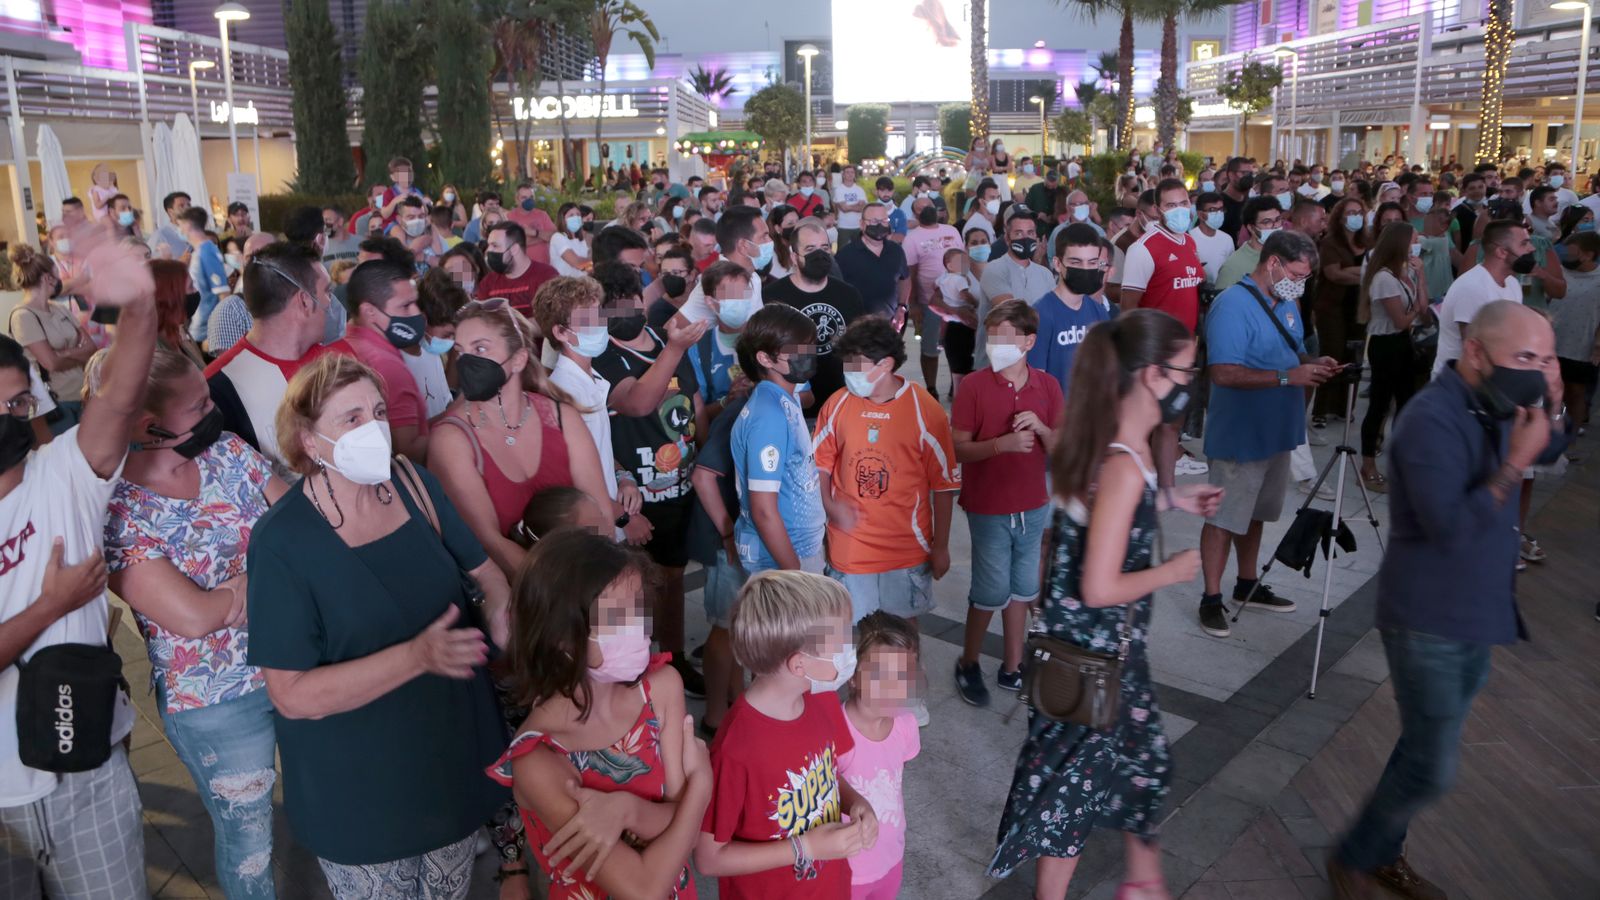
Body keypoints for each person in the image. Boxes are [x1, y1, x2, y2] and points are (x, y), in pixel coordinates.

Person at [245, 352, 512, 899]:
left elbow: (486, 573)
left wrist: (508, 624)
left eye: (379, 412)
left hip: (448, 762)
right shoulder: (282, 542)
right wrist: (419, 656)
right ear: (309, 441)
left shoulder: (414, 485)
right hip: (359, 792)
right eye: (351, 418)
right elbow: (292, 695)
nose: (375, 429)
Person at [1327, 301, 1567, 900]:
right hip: (1427, 616)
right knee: (1433, 766)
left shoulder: (1497, 399)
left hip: (1478, 609)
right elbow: (1450, 528)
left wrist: (1552, 407)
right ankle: (1353, 856)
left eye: (1546, 358)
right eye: (1526, 357)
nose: (1536, 371)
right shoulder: (1431, 419)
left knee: (1422, 745)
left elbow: (1548, 443)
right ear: (1479, 352)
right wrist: (1513, 463)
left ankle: (1382, 852)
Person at [989, 309, 1222, 900]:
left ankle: (1143, 884)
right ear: (1150, 375)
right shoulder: (1120, 462)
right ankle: (1137, 886)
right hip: (1092, 658)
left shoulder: (1113, 445)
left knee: (1138, 768)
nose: (1190, 384)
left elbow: (1109, 518)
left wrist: (1171, 501)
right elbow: (1097, 587)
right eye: (1184, 371)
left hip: (1106, 651)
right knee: (1074, 792)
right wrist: (1167, 571)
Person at [0, 231, 155, 900]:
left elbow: (119, 397)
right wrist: (51, 606)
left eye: (16, 402)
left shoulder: (61, 473)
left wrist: (138, 303)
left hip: (85, 774)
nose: (8, 415)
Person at [102, 346, 290, 898]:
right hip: (216, 701)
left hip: (295, 656)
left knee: (328, 795)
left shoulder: (227, 452)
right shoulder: (117, 508)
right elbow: (193, 618)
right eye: (199, 405)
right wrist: (267, 572)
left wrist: (233, 591)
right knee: (250, 843)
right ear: (148, 425)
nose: (215, 409)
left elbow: (300, 529)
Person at [487, 527, 712, 900]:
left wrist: (627, 811)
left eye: (638, 608)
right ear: (561, 636)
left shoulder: (660, 687)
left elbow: (682, 830)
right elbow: (642, 888)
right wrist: (702, 787)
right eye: (615, 617)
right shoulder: (539, 758)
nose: (637, 627)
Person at [693, 570, 878, 899]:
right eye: (840, 644)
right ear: (798, 665)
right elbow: (709, 858)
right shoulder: (737, 749)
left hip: (828, 886)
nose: (850, 651)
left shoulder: (820, 699)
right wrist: (804, 847)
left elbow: (825, 775)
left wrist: (856, 802)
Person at [1198, 231, 1341, 639]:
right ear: (1273, 262)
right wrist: (1287, 376)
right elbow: (1223, 372)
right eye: (1297, 273)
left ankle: (1246, 584)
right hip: (1240, 432)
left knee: (1258, 513)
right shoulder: (1232, 305)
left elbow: (1291, 350)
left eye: (1306, 277)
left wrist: (1313, 364)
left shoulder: (1289, 300)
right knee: (1225, 517)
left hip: (1277, 428)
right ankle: (1210, 598)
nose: (1302, 282)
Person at [592, 262, 709, 694]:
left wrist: (702, 462)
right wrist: (623, 515)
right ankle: (634, 669)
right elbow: (638, 403)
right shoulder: (602, 354)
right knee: (633, 588)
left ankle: (674, 661)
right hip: (634, 496)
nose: (625, 310)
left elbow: (694, 404)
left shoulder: (663, 336)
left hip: (680, 485)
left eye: (631, 300)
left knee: (674, 579)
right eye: (612, 306)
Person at [430, 295, 609, 579]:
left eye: (481, 348)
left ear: (518, 359)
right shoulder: (451, 440)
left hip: (586, 577)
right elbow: (489, 542)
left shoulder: (562, 418)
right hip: (523, 595)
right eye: (461, 351)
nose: (467, 362)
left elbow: (601, 514)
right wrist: (558, 592)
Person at [951, 300, 1061, 707]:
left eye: (1005, 337)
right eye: (991, 336)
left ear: (1029, 341)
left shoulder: (1047, 386)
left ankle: (1013, 665)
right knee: (990, 589)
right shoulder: (975, 387)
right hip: (988, 505)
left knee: (1023, 588)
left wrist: (1043, 428)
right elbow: (958, 449)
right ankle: (969, 661)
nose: (995, 344)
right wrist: (1002, 444)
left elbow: (1061, 445)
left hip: (1032, 503)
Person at [815, 316, 958, 625]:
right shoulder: (837, 404)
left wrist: (942, 546)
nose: (849, 372)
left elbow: (943, 486)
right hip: (849, 547)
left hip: (906, 550)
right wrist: (830, 507)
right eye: (847, 363)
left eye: (857, 364)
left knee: (902, 640)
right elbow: (820, 466)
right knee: (848, 640)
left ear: (886, 364)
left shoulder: (925, 410)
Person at [206, 242, 355, 470]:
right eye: (327, 292)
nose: (333, 303)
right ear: (304, 302)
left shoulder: (340, 353)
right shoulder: (219, 390)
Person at [535, 276, 646, 547]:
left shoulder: (592, 379)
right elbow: (576, 478)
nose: (599, 324)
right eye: (587, 319)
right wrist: (623, 519)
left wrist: (623, 478)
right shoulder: (566, 394)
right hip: (598, 530)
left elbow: (597, 452)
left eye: (599, 313)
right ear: (561, 332)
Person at [1120, 178, 1206, 483]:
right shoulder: (1143, 250)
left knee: (1173, 424)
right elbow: (1129, 308)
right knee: (1151, 424)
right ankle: (1141, 485)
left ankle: (1165, 487)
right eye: (1171, 205)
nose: (1180, 210)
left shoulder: (1190, 242)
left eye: (1184, 203)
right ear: (1157, 209)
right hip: (1155, 354)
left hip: (1184, 353)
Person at [730, 305, 825, 574]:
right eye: (796, 349)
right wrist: (793, 572)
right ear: (765, 359)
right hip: (785, 558)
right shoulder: (769, 416)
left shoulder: (784, 398)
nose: (807, 354)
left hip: (796, 549)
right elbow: (763, 510)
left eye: (810, 345)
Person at [839, 611, 921, 900]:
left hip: (891, 856)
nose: (893, 686)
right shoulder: (835, 732)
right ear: (852, 676)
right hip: (844, 868)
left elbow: (893, 780)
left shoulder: (906, 725)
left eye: (903, 675)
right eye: (880, 674)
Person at [1358, 222, 1432, 491]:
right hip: (1386, 344)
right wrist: (1415, 311)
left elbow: (1423, 308)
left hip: (1403, 343)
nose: (1417, 243)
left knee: (1406, 401)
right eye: (1413, 239)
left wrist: (1420, 277)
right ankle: (1367, 466)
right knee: (1379, 405)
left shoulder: (1404, 273)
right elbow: (1401, 320)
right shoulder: (1383, 278)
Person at [765, 221, 866, 415]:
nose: (819, 255)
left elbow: (858, 349)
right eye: (810, 249)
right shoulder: (772, 298)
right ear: (794, 257)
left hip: (842, 405)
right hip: (794, 407)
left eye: (824, 247)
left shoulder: (849, 294)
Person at [343, 260, 432, 462]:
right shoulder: (386, 366)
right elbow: (407, 452)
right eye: (405, 306)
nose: (416, 313)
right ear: (370, 312)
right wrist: (458, 422)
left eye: (415, 302)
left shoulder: (347, 343)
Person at [7, 244, 93, 433]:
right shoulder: (23, 316)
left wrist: (65, 352)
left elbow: (91, 350)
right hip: (57, 403)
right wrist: (77, 352)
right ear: (48, 278)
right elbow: (50, 363)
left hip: (83, 394)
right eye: (57, 274)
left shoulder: (59, 308)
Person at [1434, 220, 1533, 377]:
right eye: (1524, 244)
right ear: (1501, 252)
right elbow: (1475, 352)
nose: (1531, 249)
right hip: (1460, 386)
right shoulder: (1472, 288)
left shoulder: (1512, 283)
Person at [1030, 224, 1113, 399]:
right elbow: (1035, 380)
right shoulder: (1040, 314)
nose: (1085, 269)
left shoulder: (1099, 312)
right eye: (1076, 262)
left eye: (1092, 263)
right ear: (1058, 264)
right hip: (1057, 420)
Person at [902, 197, 965, 395]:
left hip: (958, 302)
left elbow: (963, 262)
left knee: (957, 347)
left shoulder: (952, 231)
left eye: (928, 205)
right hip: (930, 303)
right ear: (915, 214)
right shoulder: (911, 238)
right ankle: (931, 388)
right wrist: (913, 305)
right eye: (920, 208)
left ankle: (958, 384)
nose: (926, 209)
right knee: (930, 349)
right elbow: (909, 273)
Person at [1551, 231, 1600, 434]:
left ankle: (1571, 436)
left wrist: (1598, 344)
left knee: (1576, 392)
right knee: (1554, 392)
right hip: (1553, 342)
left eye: (1572, 253)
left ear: (1588, 255)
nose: (1567, 257)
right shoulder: (1559, 271)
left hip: (1582, 345)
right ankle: (1553, 432)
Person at [205, 232, 277, 357]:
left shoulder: (298, 300)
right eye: (251, 257)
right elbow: (233, 372)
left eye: (266, 255)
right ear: (243, 261)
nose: (257, 263)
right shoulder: (230, 311)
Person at [837, 203, 911, 323]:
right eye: (874, 221)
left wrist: (901, 306)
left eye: (884, 220)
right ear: (862, 224)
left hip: (890, 324)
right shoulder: (845, 255)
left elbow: (905, 279)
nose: (880, 225)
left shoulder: (896, 251)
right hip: (856, 326)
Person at [478, 222, 559, 316]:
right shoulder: (487, 283)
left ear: (514, 249)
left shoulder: (546, 276)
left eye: (495, 246)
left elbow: (550, 320)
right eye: (488, 245)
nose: (488, 251)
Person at [1216, 196, 1285, 291]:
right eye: (1267, 222)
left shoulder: (1286, 253)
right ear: (1251, 228)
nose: (1275, 226)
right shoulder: (1233, 267)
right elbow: (1222, 303)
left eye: (1277, 219)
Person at [148, 259, 206, 369]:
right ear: (170, 297)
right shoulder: (154, 354)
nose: (195, 291)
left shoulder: (177, 332)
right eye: (190, 287)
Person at [1190, 192, 1234, 287]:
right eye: (1212, 210)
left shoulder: (1227, 239)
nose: (1219, 213)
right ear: (1200, 214)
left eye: (1221, 209)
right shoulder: (1190, 239)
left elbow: (1230, 270)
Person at [549, 202, 591, 277]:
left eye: (578, 214)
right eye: (571, 215)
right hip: (565, 285)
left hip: (583, 284)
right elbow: (577, 263)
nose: (575, 217)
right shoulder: (558, 237)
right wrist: (595, 266)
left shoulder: (581, 240)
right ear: (563, 219)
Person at [148, 191, 191, 260]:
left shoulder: (196, 232)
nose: (187, 209)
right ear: (170, 211)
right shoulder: (160, 235)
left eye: (189, 205)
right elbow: (153, 264)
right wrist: (179, 263)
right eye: (181, 206)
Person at [833, 164, 868, 246]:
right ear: (843, 175)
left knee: (859, 251)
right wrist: (857, 204)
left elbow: (862, 208)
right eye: (847, 172)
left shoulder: (860, 190)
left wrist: (849, 206)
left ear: (855, 174)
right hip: (843, 227)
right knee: (843, 252)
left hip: (858, 226)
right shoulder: (839, 190)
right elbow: (844, 209)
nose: (850, 174)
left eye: (852, 172)